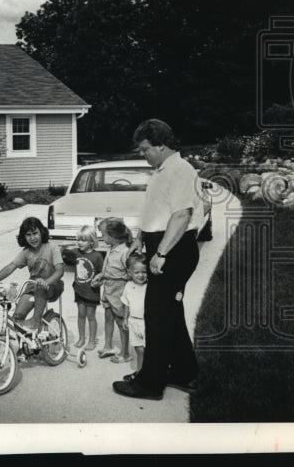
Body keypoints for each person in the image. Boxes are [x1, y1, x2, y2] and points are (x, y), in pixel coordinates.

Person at [113, 118, 204, 400]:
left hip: (174, 250)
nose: (143, 154)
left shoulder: (180, 170)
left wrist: (161, 253)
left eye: (145, 149)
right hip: (161, 245)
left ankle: (149, 384)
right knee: (170, 314)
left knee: (156, 315)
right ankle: (184, 373)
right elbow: (157, 211)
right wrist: (141, 238)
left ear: (162, 145)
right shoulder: (162, 170)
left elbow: (181, 216)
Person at [0, 216, 65, 332]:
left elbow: (60, 271)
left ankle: (36, 320)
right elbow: (10, 267)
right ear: (24, 237)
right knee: (16, 319)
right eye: (28, 235)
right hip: (32, 287)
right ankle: (22, 346)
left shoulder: (51, 247)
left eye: (35, 233)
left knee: (39, 287)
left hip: (53, 285)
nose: (33, 238)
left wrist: (46, 282)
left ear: (41, 232)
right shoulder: (26, 252)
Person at [92, 217, 132, 362]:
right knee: (108, 317)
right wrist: (101, 276)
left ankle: (125, 353)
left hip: (119, 291)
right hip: (108, 288)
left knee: (121, 322)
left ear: (113, 236)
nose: (101, 237)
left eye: (103, 234)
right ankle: (108, 346)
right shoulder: (111, 249)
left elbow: (130, 274)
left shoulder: (125, 252)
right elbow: (107, 268)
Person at [71, 226, 103, 351]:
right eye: (78, 239)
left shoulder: (97, 256)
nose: (80, 243)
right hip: (79, 289)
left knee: (90, 315)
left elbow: (102, 273)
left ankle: (91, 340)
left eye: (83, 240)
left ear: (92, 241)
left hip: (92, 291)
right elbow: (63, 250)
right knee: (81, 314)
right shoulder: (76, 253)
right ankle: (81, 338)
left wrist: (98, 281)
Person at [120, 253, 149, 381]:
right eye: (137, 272)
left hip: (147, 323)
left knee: (148, 350)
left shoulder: (150, 286)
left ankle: (146, 373)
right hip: (134, 322)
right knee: (139, 349)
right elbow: (126, 304)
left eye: (144, 272)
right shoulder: (128, 286)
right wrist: (125, 318)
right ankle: (140, 373)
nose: (141, 275)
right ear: (129, 272)